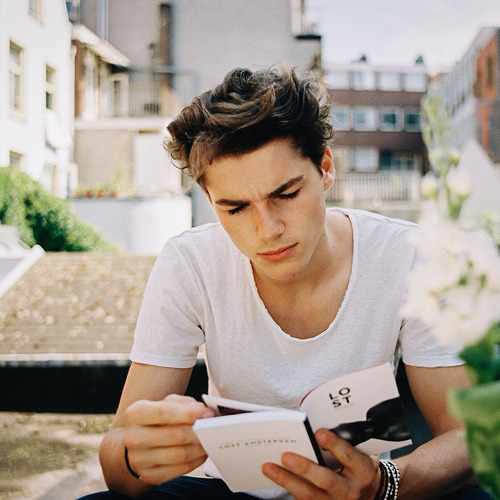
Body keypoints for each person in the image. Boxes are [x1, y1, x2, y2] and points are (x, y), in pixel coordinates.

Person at [85, 65, 484, 500]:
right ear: (210, 200)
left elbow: (467, 439)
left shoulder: (407, 255)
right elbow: (116, 465)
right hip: (228, 490)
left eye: (286, 194)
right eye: (235, 208)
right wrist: (134, 456)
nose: (267, 229)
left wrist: (384, 484)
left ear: (325, 168)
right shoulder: (191, 263)